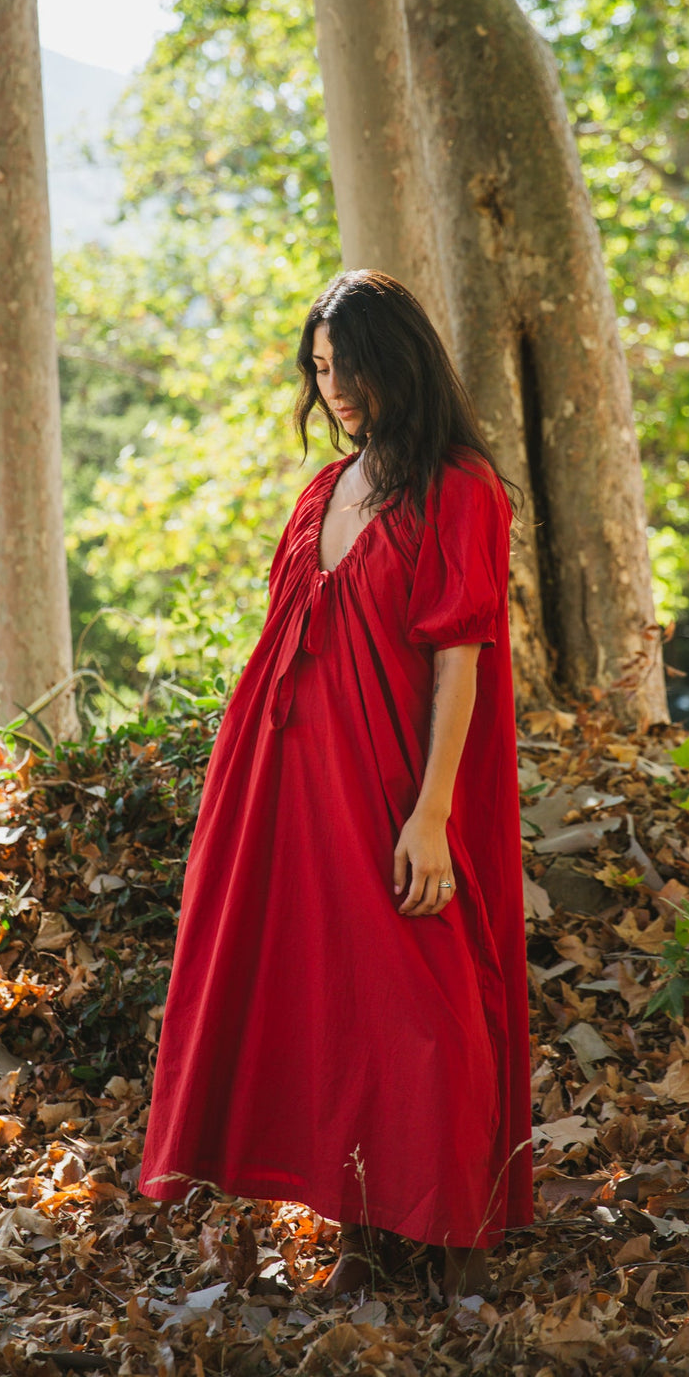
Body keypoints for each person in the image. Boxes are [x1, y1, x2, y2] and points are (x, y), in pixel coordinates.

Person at [138, 269, 532, 1301]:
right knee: (327, 1001)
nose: (335, 388)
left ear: (396, 361)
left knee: (429, 1002)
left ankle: (455, 1236)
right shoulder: (325, 488)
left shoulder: (461, 488)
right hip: (284, 780)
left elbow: (461, 656)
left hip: (395, 780)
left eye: (348, 364)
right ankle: (360, 1230)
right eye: (320, 369)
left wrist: (433, 812)